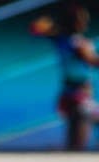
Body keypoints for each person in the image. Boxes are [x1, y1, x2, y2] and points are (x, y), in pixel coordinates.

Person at [30, 2, 99, 150]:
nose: (85, 21)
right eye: (81, 19)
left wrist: (49, 23)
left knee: (75, 144)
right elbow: (92, 62)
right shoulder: (78, 43)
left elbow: (35, 29)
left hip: (70, 95)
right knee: (76, 147)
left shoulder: (60, 38)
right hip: (79, 98)